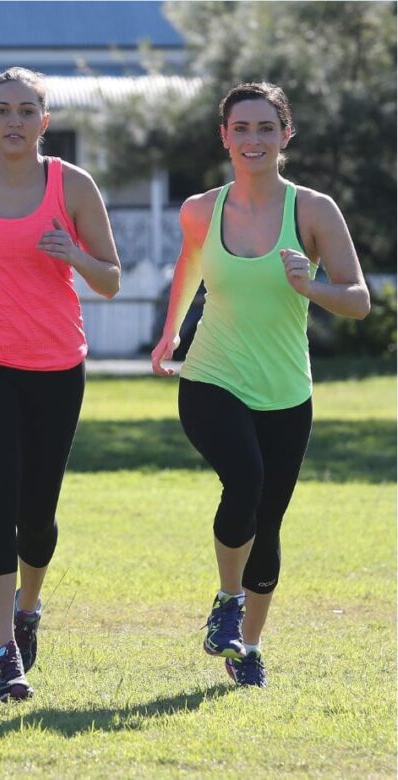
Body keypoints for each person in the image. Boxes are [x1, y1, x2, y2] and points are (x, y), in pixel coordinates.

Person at [151, 82, 370, 687]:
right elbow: (191, 263)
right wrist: (171, 334)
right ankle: (228, 601)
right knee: (245, 479)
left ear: (285, 135)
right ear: (224, 137)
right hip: (211, 377)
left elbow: (358, 300)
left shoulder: (314, 211)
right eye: (241, 128)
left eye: (266, 128)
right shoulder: (201, 210)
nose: (254, 139)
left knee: (267, 522)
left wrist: (311, 286)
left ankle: (247, 647)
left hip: (285, 392)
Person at [0, 67, 120, 701]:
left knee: (37, 516)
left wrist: (74, 255)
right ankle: (4, 648)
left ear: (44, 121)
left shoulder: (73, 185)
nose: (14, 121)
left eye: (26, 110)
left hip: (57, 365)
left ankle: (28, 606)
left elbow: (110, 278)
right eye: (2, 110)